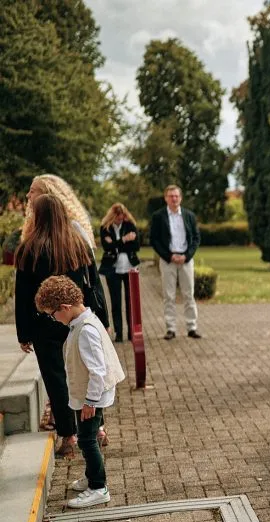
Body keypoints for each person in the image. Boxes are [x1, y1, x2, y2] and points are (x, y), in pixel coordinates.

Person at [15, 194, 108, 458]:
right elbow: (92, 284)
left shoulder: (29, 248)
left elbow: (23, 295)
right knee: (87, 374)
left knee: (56, 380)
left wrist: (24, 332)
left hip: (45, 323)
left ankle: (69, 436)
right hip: (77, 321)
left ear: (38, 215)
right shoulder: (78, 244)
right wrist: (99, 320)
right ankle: (97, 428)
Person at [35, 276, 125, 508]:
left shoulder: (85, 331)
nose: (53, 319)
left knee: (86, 440)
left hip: (90, 396)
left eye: (52, 314)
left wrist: (90, 402)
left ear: (64, 308)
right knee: (88, 437)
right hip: (88, 395)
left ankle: (98, 486)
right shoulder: (85, 321)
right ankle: (92, 475)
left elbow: (97, 370)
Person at [150, 185, 202, 340]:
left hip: (186, 260)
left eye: (176, 196)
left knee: (189, 294)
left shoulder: (189, 216)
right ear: (166, 198)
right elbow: (154, 240)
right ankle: (170, 328)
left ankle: (192, 327)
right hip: (168, 260)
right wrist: (168, 256)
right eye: (171, 196)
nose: (174, 199)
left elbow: (196, 238)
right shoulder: (158, 216)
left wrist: (186, 256)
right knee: (168, 296)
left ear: (181, 197)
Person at [98, 203, 141, 343]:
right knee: (115, 302)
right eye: (117, 218)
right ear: (112, 216)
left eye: (121, 217)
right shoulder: (105, 228)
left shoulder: (130, 226)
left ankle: (131, 333)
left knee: (130, 301)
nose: (120, 220)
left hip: (129, 268)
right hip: (113, 269)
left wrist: (115, 244)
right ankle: (118, 332)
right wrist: (124, 240)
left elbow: (136, 246)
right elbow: (106, 247)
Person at [23, 174, 96, 249]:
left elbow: (88, 258)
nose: (27, 195)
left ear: (48, 195)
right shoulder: (33, 225)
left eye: (32, 191)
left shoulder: (73, 228)